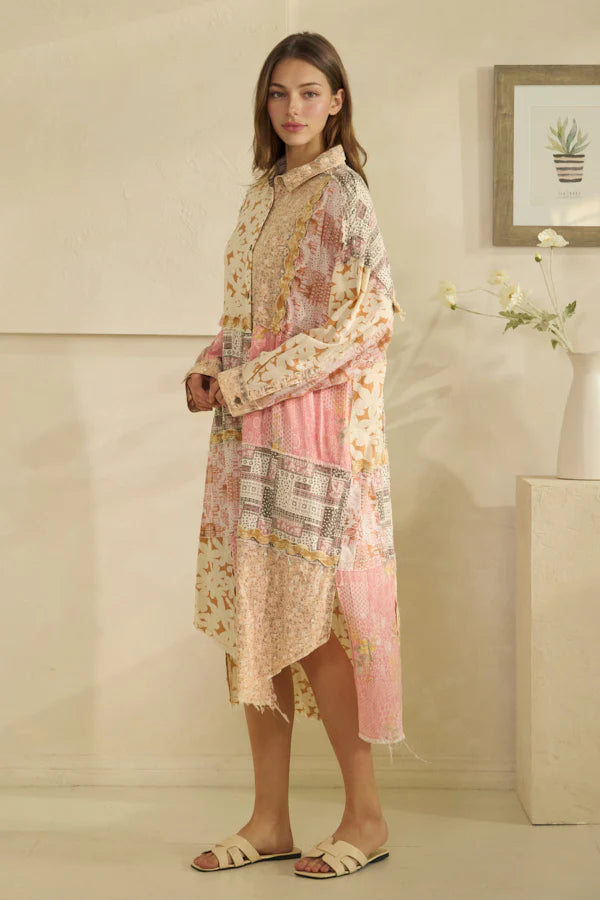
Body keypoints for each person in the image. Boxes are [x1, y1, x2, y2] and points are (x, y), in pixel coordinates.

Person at [182, 31, 429, 880]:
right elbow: (252, 319)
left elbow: (365, 322)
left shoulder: (345, 194)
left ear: (337, 102)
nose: (294, 108)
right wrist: (212, 366)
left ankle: (366, 816)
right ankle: (270, 820)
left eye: (310, 93)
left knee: (322, 627)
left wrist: (244, 382)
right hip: (249, 440)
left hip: (319, 441)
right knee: (254, 622)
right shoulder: (262, 195)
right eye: (280, 93)